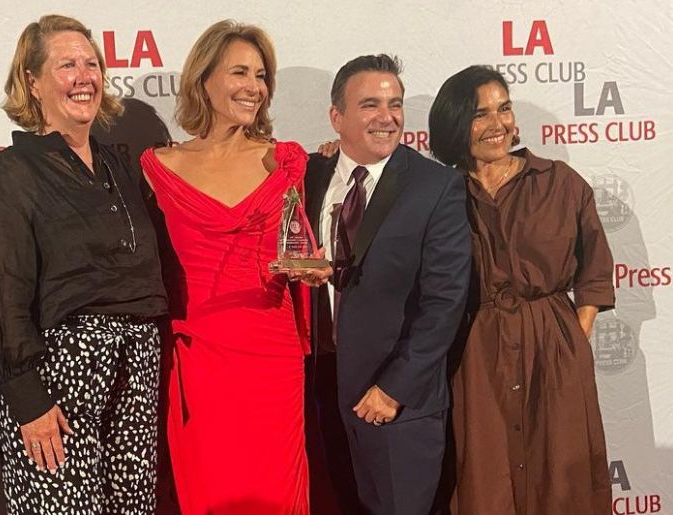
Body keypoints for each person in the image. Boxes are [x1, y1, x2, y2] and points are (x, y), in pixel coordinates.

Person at [0, 14, 168, 515]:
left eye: (91, 63)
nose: (84, 76)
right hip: (56, 377)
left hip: (135, 365)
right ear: (31, 82)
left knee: (132, 507)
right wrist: (27, 399)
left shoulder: (118, 167)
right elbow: (0, 292)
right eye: (66, 65)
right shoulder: (7, 176)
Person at [139, 19, 329, 515]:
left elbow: (302, 242)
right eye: (239, 72)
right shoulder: (157, 166)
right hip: (199, 357)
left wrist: (312, 270)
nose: (254, 87)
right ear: (204, 79)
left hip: (272, 356)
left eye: (262, 75)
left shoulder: (283, 161)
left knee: (275, 491)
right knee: (212, 492)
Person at [428, 65, 614, 514]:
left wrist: (570, 339)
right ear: (455, 124)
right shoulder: (438, 193)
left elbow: (594, 273)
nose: (498, 125)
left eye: (504, 109)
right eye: (480, 114)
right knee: (484, 479)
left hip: (554, 352)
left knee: (562, 480)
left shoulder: (560, 182)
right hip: (474, 353)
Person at [304, 54, 471, 515]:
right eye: (370, 104)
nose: (387, 117)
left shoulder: (435, 186)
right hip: (318, 397)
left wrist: (395, 387)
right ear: (336, 117)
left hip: (396, 400)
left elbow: (445, 301)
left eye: (394, 104)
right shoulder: (308, 175)